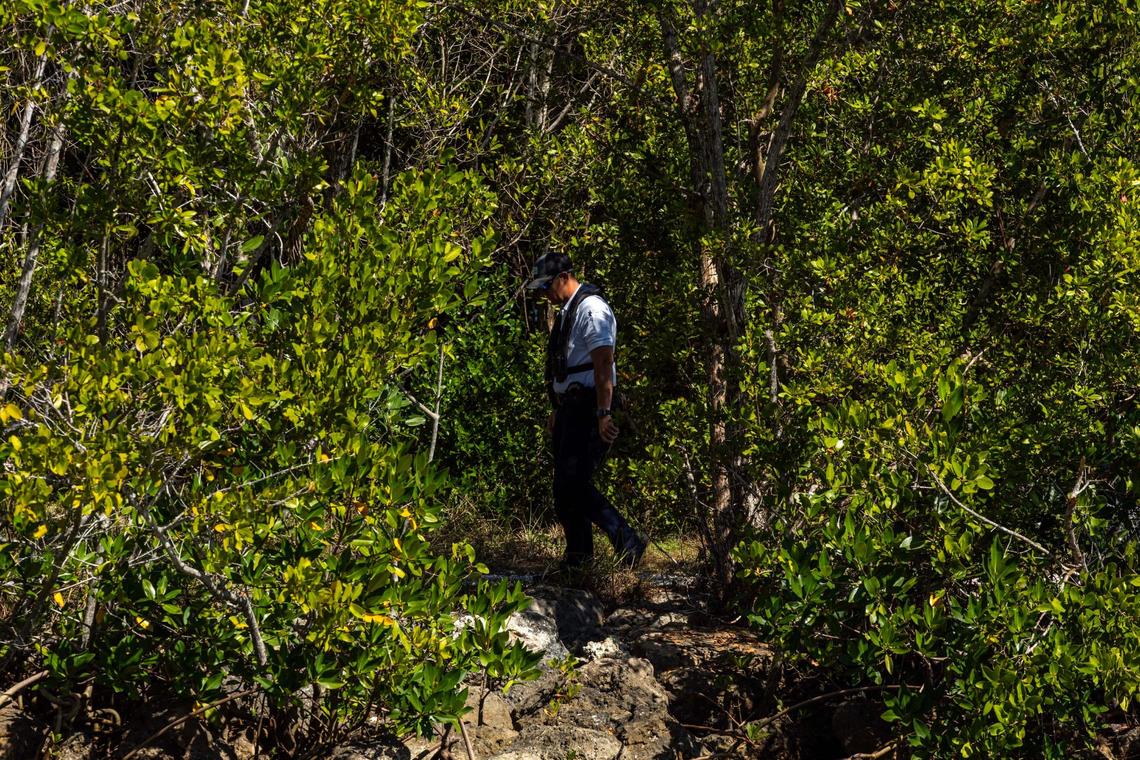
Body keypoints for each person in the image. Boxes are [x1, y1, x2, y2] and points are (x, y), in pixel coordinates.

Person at [526, 252, 646, 571]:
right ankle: (579, 560)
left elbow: (603, 362)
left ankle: (627, 539)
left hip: (590, 406)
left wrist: (603, 411)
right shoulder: (568, 311)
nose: (544, 294)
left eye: (547, 286)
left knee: (574, 483)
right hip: (571, 408)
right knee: (564, 489)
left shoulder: (592, 309)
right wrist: (557, 409)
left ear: (564, 277)